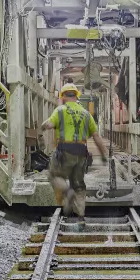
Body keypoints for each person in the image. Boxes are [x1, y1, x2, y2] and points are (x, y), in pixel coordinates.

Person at [39, 83, 108, 222]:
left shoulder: (60, 110)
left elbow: (49, 125)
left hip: (64, 151)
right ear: (76, 96)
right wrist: (104, 155)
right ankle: (80, 216)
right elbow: (96, 137)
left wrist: (43, 125)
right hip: (82, 153)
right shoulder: (86, 114)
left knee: (53, 175)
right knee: (79, 185)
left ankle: (66, 191)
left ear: (63, 96)